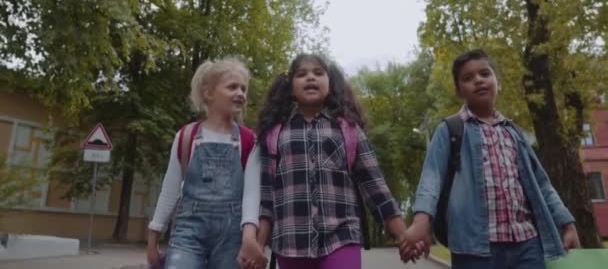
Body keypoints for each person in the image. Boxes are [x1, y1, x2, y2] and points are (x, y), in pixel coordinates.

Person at [403, 49, 580, 269]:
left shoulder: (514, 133)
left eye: (485, 74)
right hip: (474, 249)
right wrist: (421, 224)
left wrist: (567, 223)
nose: (478, 80)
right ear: (459, 91)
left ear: (498, 82)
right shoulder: (450, 129)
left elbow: (542, 184)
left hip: (527, 245)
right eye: (468, 78)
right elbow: (431, 179)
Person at [254, 53, 423, 269]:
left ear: (330, 84)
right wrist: (258, 245)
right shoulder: (275, 134)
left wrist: (403, 235)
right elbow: (267, 198)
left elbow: (376, 187)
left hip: (342, 237)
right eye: (301, 74)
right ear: (290, 88)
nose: (310, 78)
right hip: (290, 242)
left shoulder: (348, 130)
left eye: (318, 72)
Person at [146, 57, 266, 269]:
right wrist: (153, 237)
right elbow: (170, 190)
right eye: (232, 87)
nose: (240, 93)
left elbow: (251, 195)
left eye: (243, 88)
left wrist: (249, 238)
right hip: (188, 233)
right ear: (209, 93)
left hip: (232, 237)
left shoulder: (249, 141)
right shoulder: (186, 136)